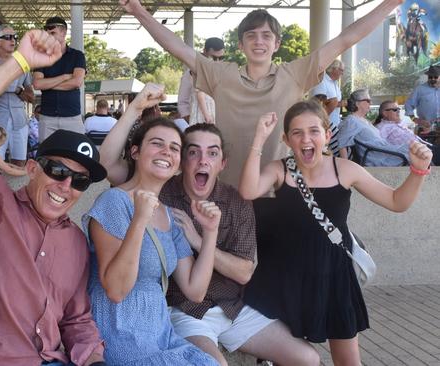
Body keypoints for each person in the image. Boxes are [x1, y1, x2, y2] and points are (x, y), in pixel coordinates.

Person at [100, 83, 320, 366]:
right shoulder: (160, 191)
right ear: (181, 161)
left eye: (212, 153)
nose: (203, 160)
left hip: (233, 308)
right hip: (184, 310)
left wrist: (199, 240)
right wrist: (135, 109)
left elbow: (244, 272)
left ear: (222, 163)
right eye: (193, 152)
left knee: (308, 358)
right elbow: (106, 164)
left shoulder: (236, 202)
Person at [0, 29, 107, 365]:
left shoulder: (76, 241)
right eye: (58, 171)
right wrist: (21, 62)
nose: (66, 186)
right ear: (32, 168)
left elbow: (75, 320)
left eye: (80, 181)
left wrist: (95, 360)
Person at [120, 0, 404, 188]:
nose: (259, 41)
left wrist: (390, 4)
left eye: (266, 35)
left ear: (277, 43)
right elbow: (176, 47)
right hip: (228, 189)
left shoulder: (294, 73)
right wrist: (139, 11)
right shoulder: (221, 74)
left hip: (282, 188)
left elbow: (345, 39)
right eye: (251, 36)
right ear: (240, 44)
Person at [238, 100, 432, 365]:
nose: (306, 138)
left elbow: (397, 202)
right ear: (286, 139)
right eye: (297, 133)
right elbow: (248, 191)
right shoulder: (279, 170)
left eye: (314, 131)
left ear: (327, 135)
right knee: (291, 358)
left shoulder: (346, 170)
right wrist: (259, 140)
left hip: (334, 277)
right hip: (284, 280)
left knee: (349, 362)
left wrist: (418, 171)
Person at [84, 114, 221, 365]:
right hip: (121, 331)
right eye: (157, 143)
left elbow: (195, 290)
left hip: (160, 332)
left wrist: (210, 232)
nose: (166, 152)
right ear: (135, 152)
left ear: (178, 163)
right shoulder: (114, 202)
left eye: (174, 148)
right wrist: (139, 220)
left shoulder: (170, 216)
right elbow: (116, 290)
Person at [0, 24, 35, 167]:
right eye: (8, 37)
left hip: (19, 121)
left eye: (15, 37)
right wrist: (4, 88)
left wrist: (16, 90)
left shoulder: (23, 64)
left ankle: (16, 189)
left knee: (20, 161)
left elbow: (31, 96)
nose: (13, 41)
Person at [33, 16, 86, 140]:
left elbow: (77, 82)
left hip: (72, 117)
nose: (48, 36)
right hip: (47, 117)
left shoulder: (77, 56)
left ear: (64, 32)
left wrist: (48, 85)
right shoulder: (41, 57)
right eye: (46, 34)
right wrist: (64, 77)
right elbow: (37, 84)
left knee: (75, 156)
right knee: (46, 156)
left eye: (52, 33)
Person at [337, 89, 410, 166]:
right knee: (415, 152)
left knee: (415, 148)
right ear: (357, 103)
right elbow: (342, 144)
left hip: (385, 152)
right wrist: (344, 167)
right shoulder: (351, 121)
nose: (371, 103)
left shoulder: (361, 120)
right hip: (380, 158)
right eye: (368, 101)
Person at [376, 100, 440, 165]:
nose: (398, 111)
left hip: (425, 148)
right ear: (385, 113)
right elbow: (380, 146)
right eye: (395, 110)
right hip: (417, 154)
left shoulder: (399, 124)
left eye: (398, 109)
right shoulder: (382, 127)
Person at [177, 37, 224, 124]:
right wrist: (193, 122)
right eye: (213, 57)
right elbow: (182, 103)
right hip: (198, 123)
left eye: (221, 58)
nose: (217, 62)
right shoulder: (191, 73)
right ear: (204, 51)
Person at [310, 59, 345, 156]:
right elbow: (318, 102)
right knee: (326, 151)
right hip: (324, 123)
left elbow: (333, 101)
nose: (343, 73)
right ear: (333, 69)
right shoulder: (322, 81)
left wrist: (339, 103)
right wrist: (339, 103)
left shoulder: (335, 83)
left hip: (334, 122)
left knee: (332, 151)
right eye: (341, 70)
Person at [405, 64, 439, 134]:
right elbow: (409, 105)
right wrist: (414, 119)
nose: (432, 79)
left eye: (435, 77)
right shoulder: (420, 89)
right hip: (425, 128)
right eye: (430, 77)